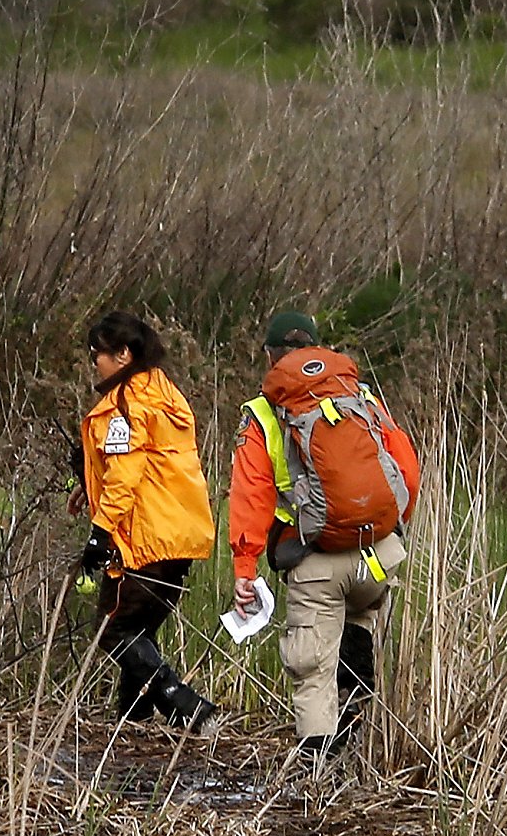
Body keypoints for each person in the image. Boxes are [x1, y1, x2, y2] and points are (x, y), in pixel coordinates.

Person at [228, 311, 421, 757]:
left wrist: (245, 567)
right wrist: (394, 524)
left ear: (269, 356)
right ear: (317, 347)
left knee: (313, 669)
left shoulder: (263, 413)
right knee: (356, 634)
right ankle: (360, 753)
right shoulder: (361, 394)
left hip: (316, 561)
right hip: (379, 553)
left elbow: (250, 496)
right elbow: (405, 466)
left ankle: (321, 779)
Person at [72, 312, 221, 732]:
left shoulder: (126, 403)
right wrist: (88, 484)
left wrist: (100, 534)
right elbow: (150, 462)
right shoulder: (164, 393)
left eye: (97, 353)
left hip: (145, 539)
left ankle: (187, 706)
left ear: (123, 354)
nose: (94, 363)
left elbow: (125, 474)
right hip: (180, 536)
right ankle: (132, 724)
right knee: (139, 632)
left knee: (114, 629)